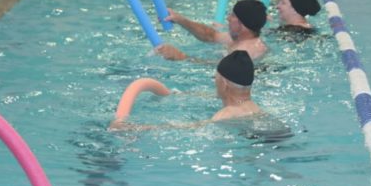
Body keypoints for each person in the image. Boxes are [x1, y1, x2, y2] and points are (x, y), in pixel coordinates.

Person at [110, 51, 263, 130]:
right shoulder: (254, 108)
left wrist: (134, 128)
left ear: (223, 83)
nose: (213, 81)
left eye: (215, 77)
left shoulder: (226, 115)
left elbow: (184, 129)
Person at [156, 0, 268, 61]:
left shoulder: (247, 51)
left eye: (233, 16)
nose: (228, 18)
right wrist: (180, 19)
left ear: (242, 25)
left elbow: (219, 69)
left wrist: (181, 57)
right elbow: (210, 35)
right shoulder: (240, 37)